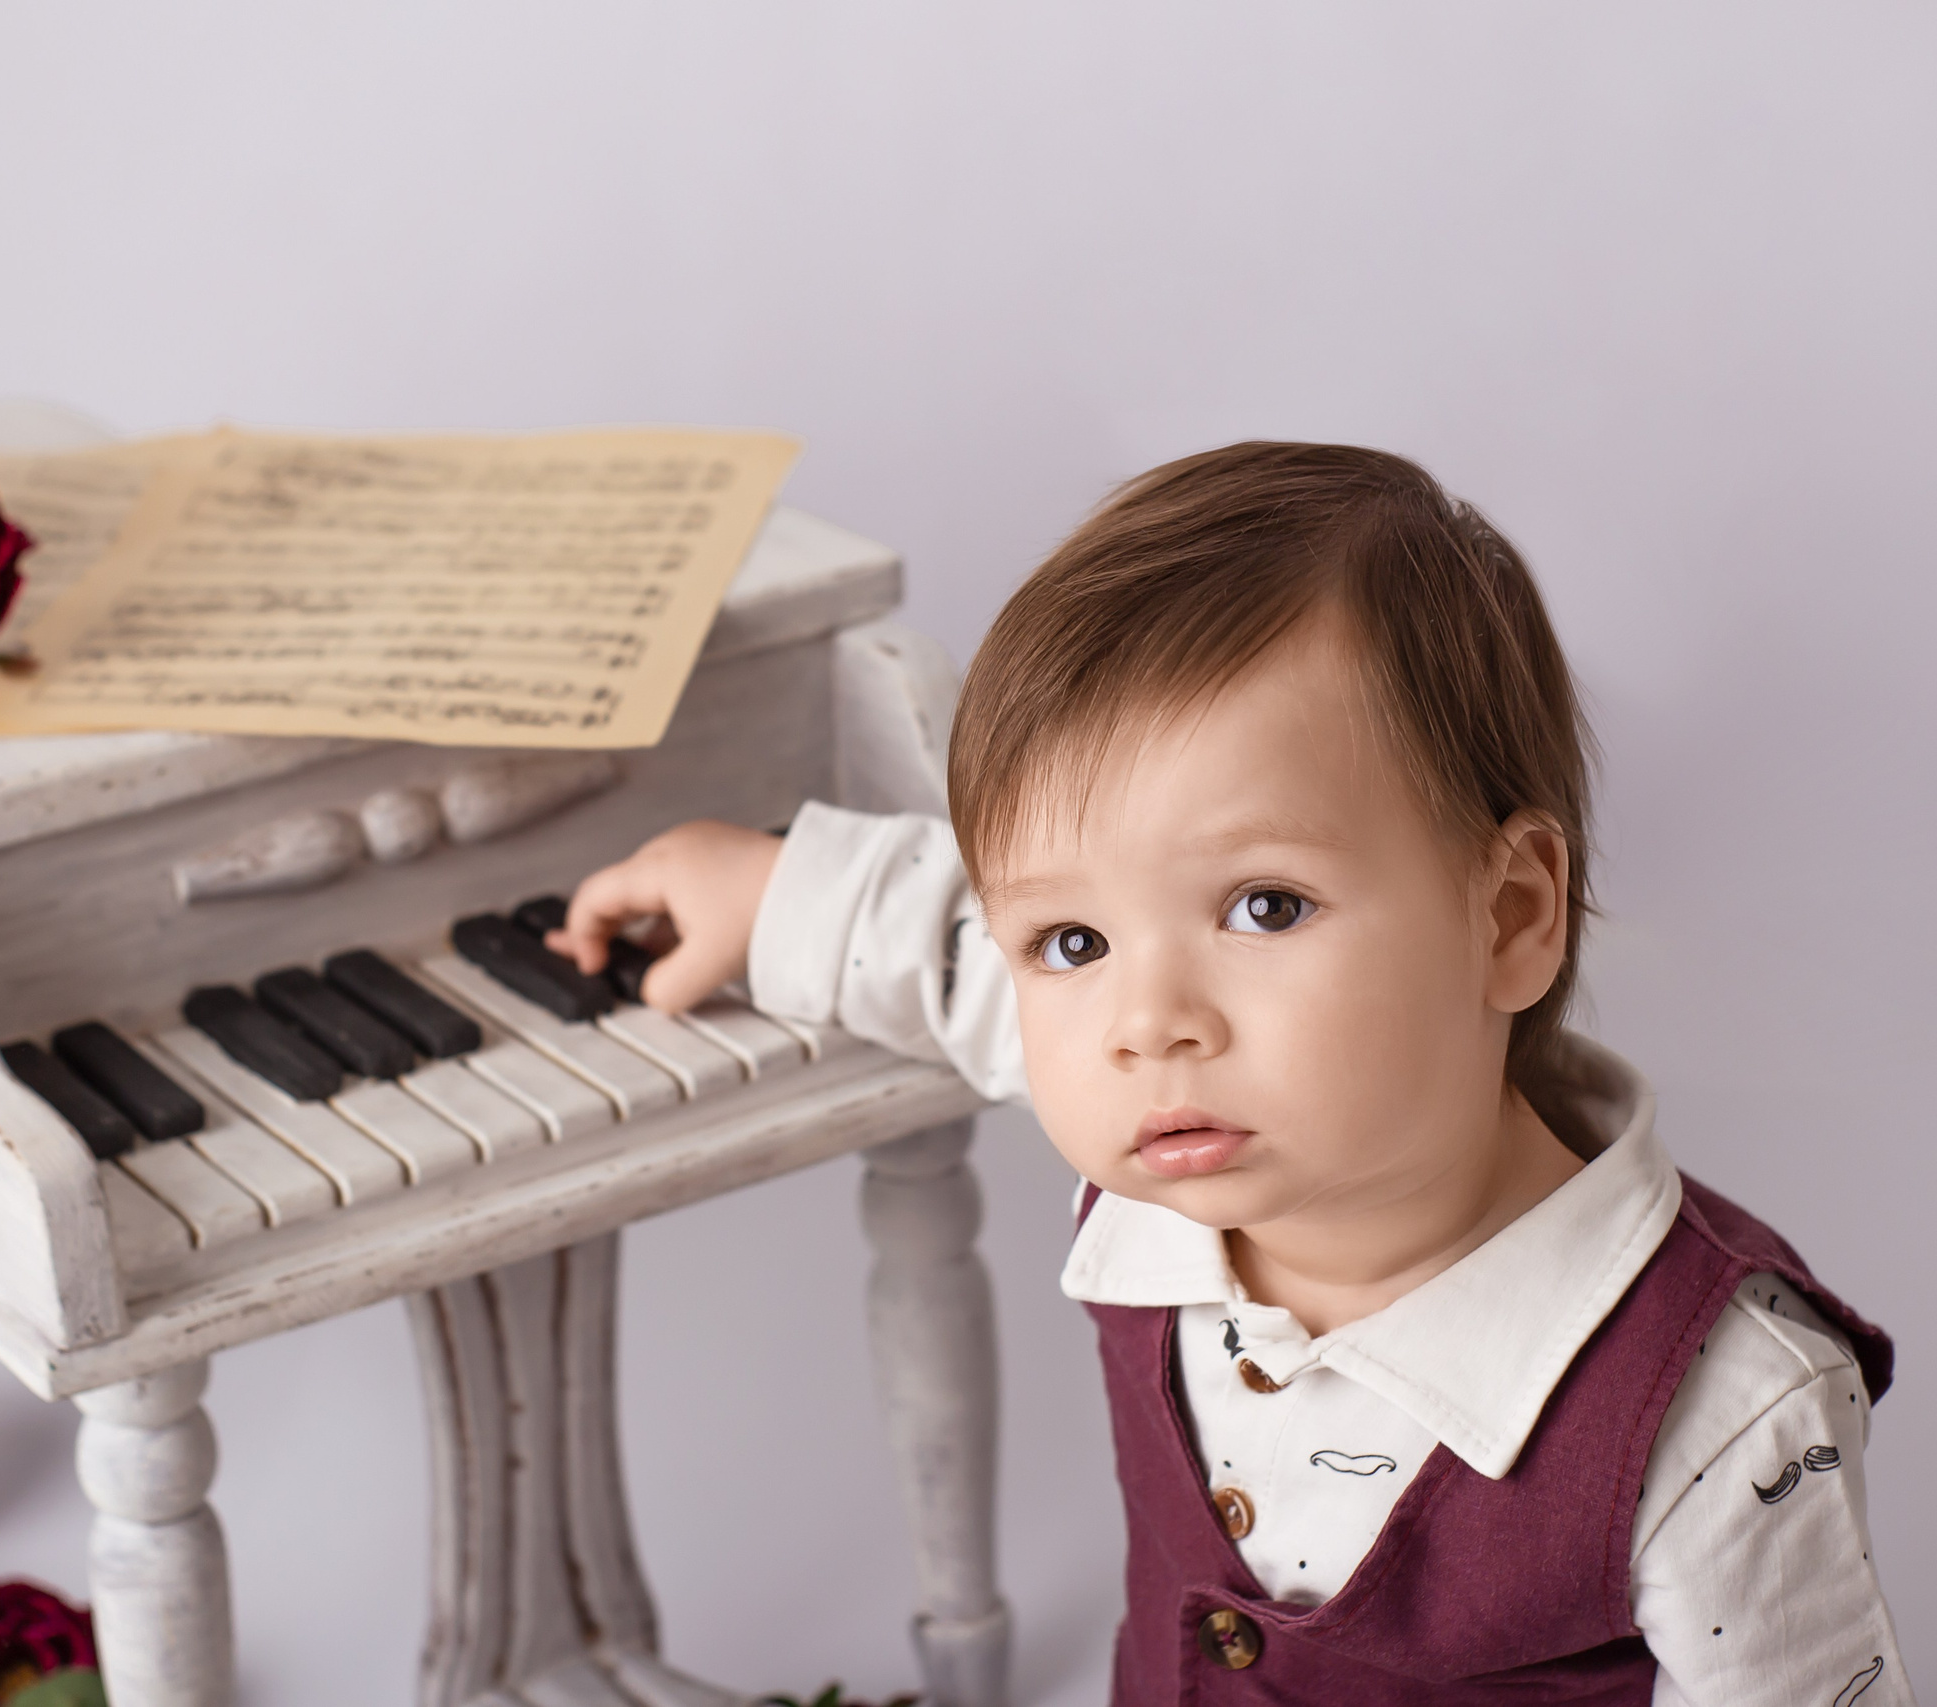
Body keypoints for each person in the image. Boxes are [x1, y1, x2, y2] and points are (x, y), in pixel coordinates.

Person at [547, 443, 1910, 1705]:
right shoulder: (1179, 1126)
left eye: (1263, 906)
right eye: (1074, 938)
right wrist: (775, 889)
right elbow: (967, 951)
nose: (1146, 1021)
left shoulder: (1717, 1411)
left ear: (1507, 918)